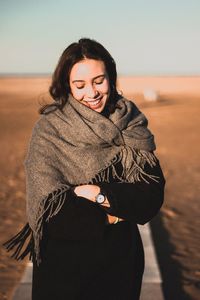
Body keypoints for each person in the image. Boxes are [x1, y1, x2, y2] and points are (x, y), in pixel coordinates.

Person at [4, 38, 165, 300]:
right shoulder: (49, 131)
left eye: (98, 81)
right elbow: (52, 215)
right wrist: (115, 214)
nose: (91, 93)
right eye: (79, 85)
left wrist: (97, 194)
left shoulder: (131, 123)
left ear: (111, 79)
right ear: (66, 85)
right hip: (65, 273)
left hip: (121, 269)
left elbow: (150, 197)